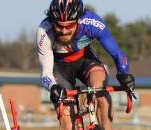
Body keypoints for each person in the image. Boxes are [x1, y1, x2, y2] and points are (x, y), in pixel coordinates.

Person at [37, 0, 135, 130]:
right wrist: (53, 87)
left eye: (70, 26)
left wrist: (123, 73)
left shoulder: (91, 23)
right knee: (67, 121)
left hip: (85, 60)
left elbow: (117, 53)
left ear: (79, 20)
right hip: (60, 67)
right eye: (59, 26)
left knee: (100, 92)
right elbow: (46, 73)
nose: (64, 31)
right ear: (52, 21)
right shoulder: (45, 31)